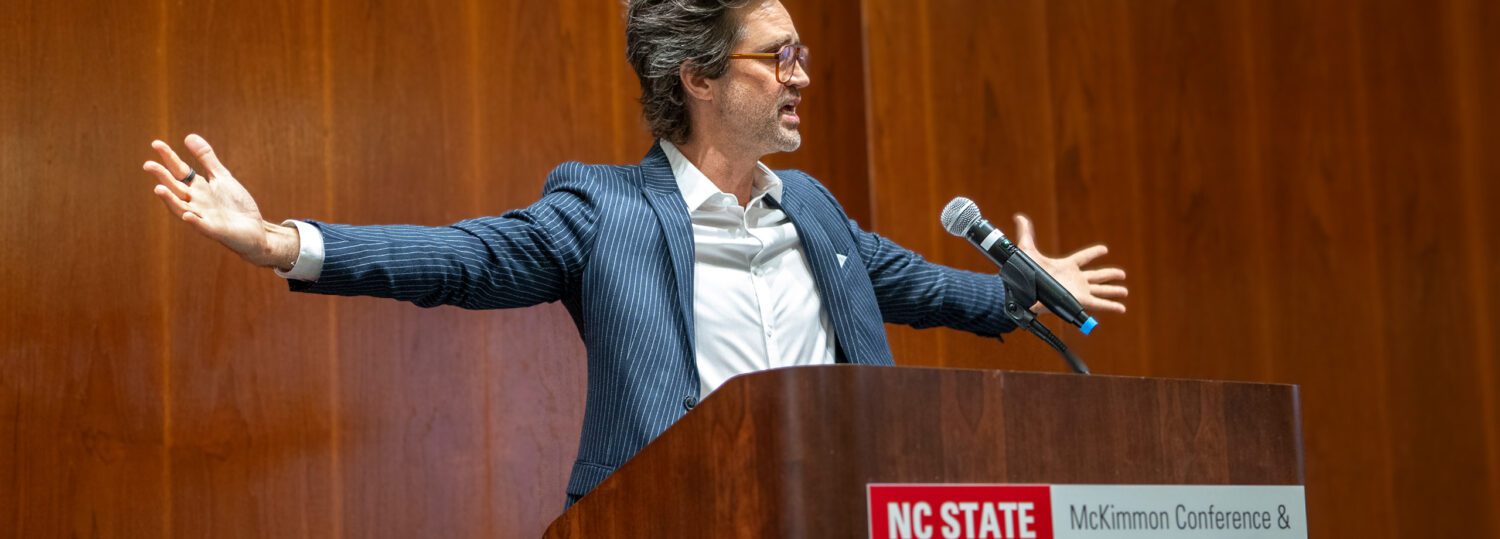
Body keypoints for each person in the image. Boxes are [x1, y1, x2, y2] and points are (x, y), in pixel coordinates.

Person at [142, 0, 1127, 505]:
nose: (804, 75)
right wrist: (284, 243)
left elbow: (923, 285)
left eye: (803, 54)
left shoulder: (817, 211)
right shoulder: (602, 207)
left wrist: (1020, 292)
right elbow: (461, 257)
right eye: (778, 55)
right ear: (699, 75)